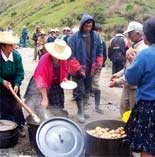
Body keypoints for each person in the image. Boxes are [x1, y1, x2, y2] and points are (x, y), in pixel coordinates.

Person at [124, 17, 155, 157]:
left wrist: (132, 61)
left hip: (149, 108)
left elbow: (131, 79)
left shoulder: (145, 54)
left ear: (147, 36)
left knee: (148, 146)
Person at [68, 14, 103, 123]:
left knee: (87, 90)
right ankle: (80, 112)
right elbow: (70, 55)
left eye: (90, 26)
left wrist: (98, 64)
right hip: (77, 69)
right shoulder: (73, 38)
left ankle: (83, 109)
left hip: (90, 68)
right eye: (86, 26)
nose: (88, 28)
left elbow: (99, 51)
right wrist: (78, 69)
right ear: (82, 25)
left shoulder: (95, 36)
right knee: (79, 91)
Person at [24, 39, 71, 119]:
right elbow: (40, 79)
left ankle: (54, 121)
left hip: (55, 84)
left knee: (56, 108)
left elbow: (65, 71)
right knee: (40, 106)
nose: (58, 57)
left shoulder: (63, 59)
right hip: (40, 85)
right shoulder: (44, 59)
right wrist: (45, 98)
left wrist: (64, 79)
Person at [109, 21, 148, 116]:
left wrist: (117, 82)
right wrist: (118, 74)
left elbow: (135, 71)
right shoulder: (134, 46)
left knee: (134, 113)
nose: (129, 36)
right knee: (124, 110)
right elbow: (128, 66)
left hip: (135, 88)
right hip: (127, 86)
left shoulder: (142, 49)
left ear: (138, 33)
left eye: (130, 33)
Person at [0, 31, 25, 137]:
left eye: (13, 44)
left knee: (16, 105)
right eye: (10, 45)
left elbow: (20, 73)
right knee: (3, 106)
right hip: (1, 86)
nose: (13, 47)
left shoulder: (16, 56)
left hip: (13, 85)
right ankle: (5, 128)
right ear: (3, 47)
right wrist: (2, 81)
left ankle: (20, 125)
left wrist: (17, 84)